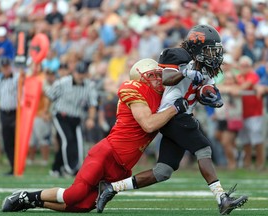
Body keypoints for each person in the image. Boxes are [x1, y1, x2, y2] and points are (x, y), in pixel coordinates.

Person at [96, 25, 248, 215]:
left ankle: (110, 188)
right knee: (203, 149)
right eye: (209, 50)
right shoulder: (178, 55)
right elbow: (167, 77)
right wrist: (186, 72)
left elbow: (203, 89)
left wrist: (209, 94)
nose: (213, 55)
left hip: (182, 115)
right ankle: (221, 198)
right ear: (197, 47)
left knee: (162, 172)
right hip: (172, 114)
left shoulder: (206, 68)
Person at [1, 58, 188, 212]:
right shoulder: (135, 90)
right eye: (151, 76)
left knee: (83, 207)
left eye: (158, 75)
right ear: (139, 79)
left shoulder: (163, 95)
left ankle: (31, 201)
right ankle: (26, 195)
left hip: (123, 166)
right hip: (107, 153)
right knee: (73, 195)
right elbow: (148, 124)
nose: (157, 79)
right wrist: (174, 109)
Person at [45, 61, 98, 177]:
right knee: (67, 140)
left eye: (82, 73)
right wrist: (46, 112)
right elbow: (50, 96)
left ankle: (58, 168)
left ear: (86, 74)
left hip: (77, 118)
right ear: (74, 72)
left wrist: (91, 119)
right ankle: (70, 168)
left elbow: (92, 104)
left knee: (77, 143)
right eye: (78, 73)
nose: (80, 76)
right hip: (61, 116)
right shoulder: (63, 82)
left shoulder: (89, 86)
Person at [0, 57, 20, 175]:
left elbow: (23, 79)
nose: (6, 69)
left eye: (7, 67)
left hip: (15, 113)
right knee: (7, 141)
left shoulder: (16, 78)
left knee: (16, 140)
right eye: (4, 67)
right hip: (4, 113)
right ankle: (12, 167)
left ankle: (18, 166)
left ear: (10, 67)